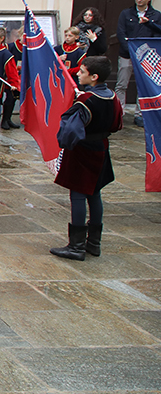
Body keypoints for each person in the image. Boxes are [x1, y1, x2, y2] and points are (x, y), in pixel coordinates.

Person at [50, 56, 124, 261]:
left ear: (94, 76)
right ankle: (94, 243)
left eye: (82, 71)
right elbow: (117, 124)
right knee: (95, 193)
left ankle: (76, 246)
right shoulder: (112, 96)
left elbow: (68, 133)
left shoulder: (86, 100)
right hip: (101, 147)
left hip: (83, 150)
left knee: (79, 194)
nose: (78, 74)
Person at [114, 0, 161, 125]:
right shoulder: (126, 13)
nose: (139, 0)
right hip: (127, 54)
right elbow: (121, 33)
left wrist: (149, 23)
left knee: (143, 85)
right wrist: (128, 49)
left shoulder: (155, 15)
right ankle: (119, 112)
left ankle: (140, 114)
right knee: (121, 84)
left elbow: (158, 34)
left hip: (146, 56)